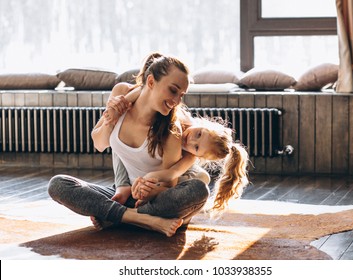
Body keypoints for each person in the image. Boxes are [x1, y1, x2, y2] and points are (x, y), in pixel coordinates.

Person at [48, 52, 209, 237]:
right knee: (59, 185)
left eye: (181, 95)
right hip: (123, 195)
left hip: (152, 199)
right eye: (173, 90)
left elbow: (169, 185)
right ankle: (144, 220)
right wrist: (111, 119)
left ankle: (116, 216)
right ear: (150, 82)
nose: (177, 101)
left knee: (198, 190)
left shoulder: (172, 131)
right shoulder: (121, 95)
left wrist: (148, 191)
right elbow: (99, 144)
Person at [103, 81, 249, 214]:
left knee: (202, 178)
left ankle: (152, 208)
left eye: (196, 147)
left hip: (170, 173)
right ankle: (123, 188)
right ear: (203, 123)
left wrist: (152, 179)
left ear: (198, 156)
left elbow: (171, 174)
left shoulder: (190, 157)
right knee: (119, 140)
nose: (190, 140)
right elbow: (144, 90)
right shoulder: (179, 116)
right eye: (198, 134)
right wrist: (124, 101)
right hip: (141, 161)